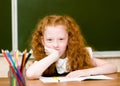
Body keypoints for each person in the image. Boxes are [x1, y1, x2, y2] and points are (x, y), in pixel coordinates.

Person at [26, 15, 117, 79]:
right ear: (43, 41)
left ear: (69, 39)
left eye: (61, 39)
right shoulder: (43, 55)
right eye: (50, 40)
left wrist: (85, 72)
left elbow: (112, 67)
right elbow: (30, 74)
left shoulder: (79, 55)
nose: (55, 45)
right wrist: (53, 56)